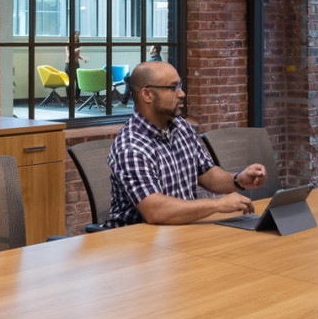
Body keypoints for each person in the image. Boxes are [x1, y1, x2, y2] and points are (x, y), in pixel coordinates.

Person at [104, 61, 266, 226]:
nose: (181, 94)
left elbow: (208, 175)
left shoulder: (181, 127)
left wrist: (239, 179)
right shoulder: (131, 146)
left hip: (180, 231)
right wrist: (218, 204)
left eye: (179, 86)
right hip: (136, 241)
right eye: (172, 88)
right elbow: (155, 211)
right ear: (147, 95)